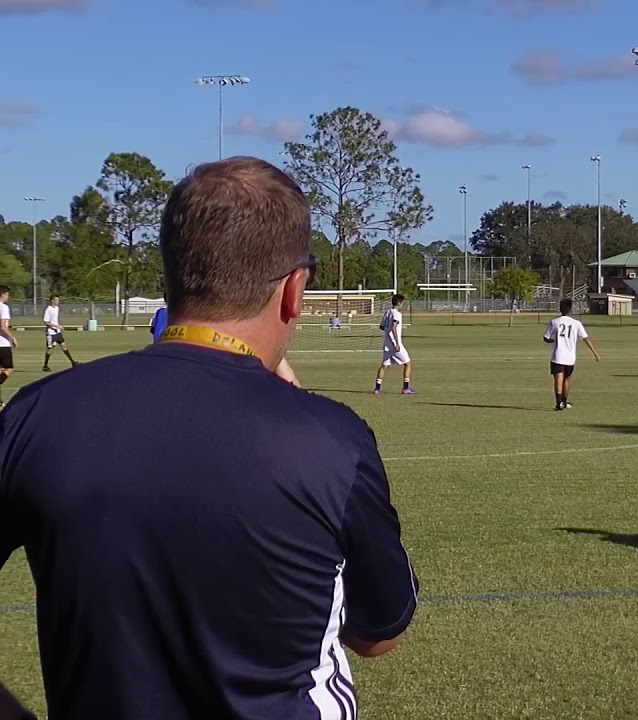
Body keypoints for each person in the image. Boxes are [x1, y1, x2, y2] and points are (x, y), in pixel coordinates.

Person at [0, 157, 418, 719]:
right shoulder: (329, 440)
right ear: (295, 289)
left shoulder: (37, 414)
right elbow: (378, 633)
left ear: (172, 273)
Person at [543, 298, 599, 410]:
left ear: (560, 309)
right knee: (566, 379)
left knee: (558, 379)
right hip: (570, 357)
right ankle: (564, 401)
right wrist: (595, 353)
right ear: (570, 309)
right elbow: (585, 338)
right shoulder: (576, 323)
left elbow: (546, 337)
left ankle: (558, 403)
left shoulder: (554, 322)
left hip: (558, 356)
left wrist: (551, 341)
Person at [374, 293, 414, 395]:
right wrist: (396, 343)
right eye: (402, 303)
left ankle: (377, 389)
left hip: (387, 344)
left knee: (384, 366)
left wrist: (388, 332)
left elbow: (382, 326)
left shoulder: (387, 312)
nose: (403, 305)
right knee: (408, 364)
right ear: (399, 303)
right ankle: (406, 388)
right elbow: (393, 327)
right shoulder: (397, 314)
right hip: (395, 344)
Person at [42, 295, 78, 371]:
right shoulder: (48, 309)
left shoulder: (57, 308)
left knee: (64, 346)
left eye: (58, 300)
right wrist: (56, 326)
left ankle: (72, 362)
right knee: (50, 349)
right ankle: (45, 365)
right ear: (52, 301)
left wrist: (58, 327)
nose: (58, 301)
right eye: (56, 300)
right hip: (51, 334)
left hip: (57, 332)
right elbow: (46, 322)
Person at [0, 286, 14, 406]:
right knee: (8, 369)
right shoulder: (3, 307)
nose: (8, 296)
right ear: (3, 294)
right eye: (7, 294)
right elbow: (3, 326)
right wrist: (12, 337)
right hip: (2, 344)